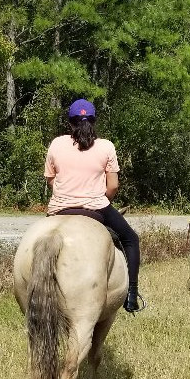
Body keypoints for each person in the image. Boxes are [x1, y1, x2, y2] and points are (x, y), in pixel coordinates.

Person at [44, 99, 143, 312]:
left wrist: (68, 193)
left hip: (59, 208)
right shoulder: (106, 146)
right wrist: (98, 198)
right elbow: (113, 186)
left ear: (70, 122)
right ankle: (132, 295)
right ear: (94, 121)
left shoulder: (56, 144)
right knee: (130, 238)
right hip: (95, 207)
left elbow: (51, 180)